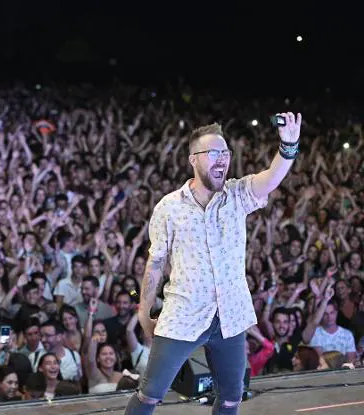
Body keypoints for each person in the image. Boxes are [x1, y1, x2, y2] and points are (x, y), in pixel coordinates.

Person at [125, 114, 303, 415]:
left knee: (232, 397)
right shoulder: (169, 207)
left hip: (230, 316)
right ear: (193, 159)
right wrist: (144, 313)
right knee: (149, 395)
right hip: (182, 314)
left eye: (226, 153)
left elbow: (272, 177)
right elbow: (155, 264)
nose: (222, 159)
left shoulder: (237, 195)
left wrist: (289, 144)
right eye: (214, 153)